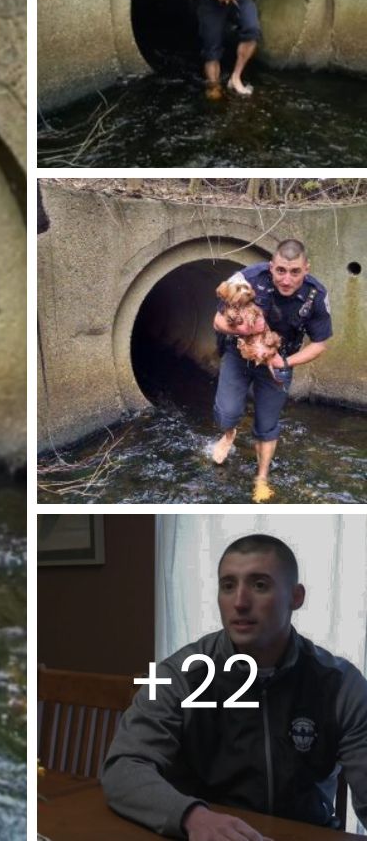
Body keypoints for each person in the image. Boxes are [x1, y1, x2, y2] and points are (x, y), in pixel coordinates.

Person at [102, 534, 367, 840]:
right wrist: (193, 817)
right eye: (228, 586)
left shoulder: (340, 684)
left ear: (296, 597)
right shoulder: (179, 675)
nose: (240, 602)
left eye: (259, 585)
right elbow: (123, 767)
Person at [210, 238, 331, 504]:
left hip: (278, 359)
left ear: (306, 269)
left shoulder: (315, 295)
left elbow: (320, 344)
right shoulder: (248, 278)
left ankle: (262, 477)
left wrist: (284, 363)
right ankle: (228, 433)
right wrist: (243, 331)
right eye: (280, 271)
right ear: (271, 265)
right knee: (226, 413)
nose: (286, 279)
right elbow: (218, 321)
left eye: (295, 272)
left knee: (267, 424)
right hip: (239, 352)